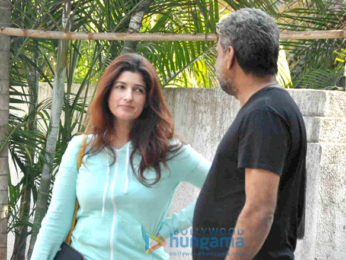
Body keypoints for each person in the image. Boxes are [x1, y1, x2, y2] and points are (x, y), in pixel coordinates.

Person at [31, 53, 210, 260]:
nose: (128, 97)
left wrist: (167, 229)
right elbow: (56, 220)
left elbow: (224, 184)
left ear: (147, 99)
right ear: (108, 92)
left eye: (138, 90)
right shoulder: (81, 149)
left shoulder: (169, 152)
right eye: (120, 87)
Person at [193, 8, 307, 260]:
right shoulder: (270, 108)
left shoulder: (265, 113)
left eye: (218, 53)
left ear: (230, 55)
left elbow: (260, 209)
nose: (217, 62)